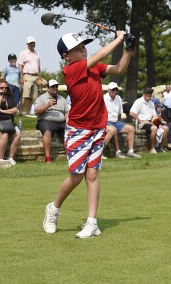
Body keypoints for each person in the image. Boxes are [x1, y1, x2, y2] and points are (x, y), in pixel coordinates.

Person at [42, 30, 133, 238]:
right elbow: (100, 55)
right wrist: (118, 39)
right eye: (78, 48)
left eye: (84, 46)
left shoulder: (94, 69)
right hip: (78, 131)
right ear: (66, 56)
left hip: (97, 129)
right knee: (75, 177)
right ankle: (53, 209)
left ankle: (92, 222)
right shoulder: (71, 71)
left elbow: (119, 68)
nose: (83, 49)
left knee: (92, 175)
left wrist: (128, 49)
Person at [35, 79, 70, 164]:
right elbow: (36, 111)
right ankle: (47, 157)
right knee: (47, 132)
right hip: (46, 120)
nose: (55, 88)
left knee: (70, 132)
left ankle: (71, 156)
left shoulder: (62, 99)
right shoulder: (42, 98)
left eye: (56, 86)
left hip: (61, 122)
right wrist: (47, 105)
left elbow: (66, 112)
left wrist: (68, 121)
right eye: (53, 86)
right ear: (48, 88)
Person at [103, 82, 140, 158]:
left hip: (116, 122)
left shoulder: (118, 98)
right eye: (113, 89)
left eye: (116, 89)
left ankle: (130, 151)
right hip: (106, 122)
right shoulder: (104, 98)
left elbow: (120, 113)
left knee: (131, 129)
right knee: (114, 130)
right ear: (108, 90)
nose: (115, 91)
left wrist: (119, 122)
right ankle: (116, 152)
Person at [129, 87, 168, 154]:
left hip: (150, 122)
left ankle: (160, 148)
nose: (149, 94)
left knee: (166, 128)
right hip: (141, 123)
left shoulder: (151, 103)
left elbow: (154, 115)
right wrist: (141, 121)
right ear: (143, 94)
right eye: (147, 93)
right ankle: (152, 148)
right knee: (154, 128)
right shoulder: (138, 101)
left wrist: (158, 123)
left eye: (150, 93)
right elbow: (131, 113)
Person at [18, 36, 41, 116]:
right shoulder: (23, 53)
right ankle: (20, 112)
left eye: (33, 43)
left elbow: (38, 65)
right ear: (27, 44)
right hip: (27, 75)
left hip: (36, 76)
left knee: (33, 97)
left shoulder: (37, 52)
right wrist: (21, 77)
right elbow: (20, 66)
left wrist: (39, 76)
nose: (32, 44)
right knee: (25, 95)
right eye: (31, 43)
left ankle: (28, 113)